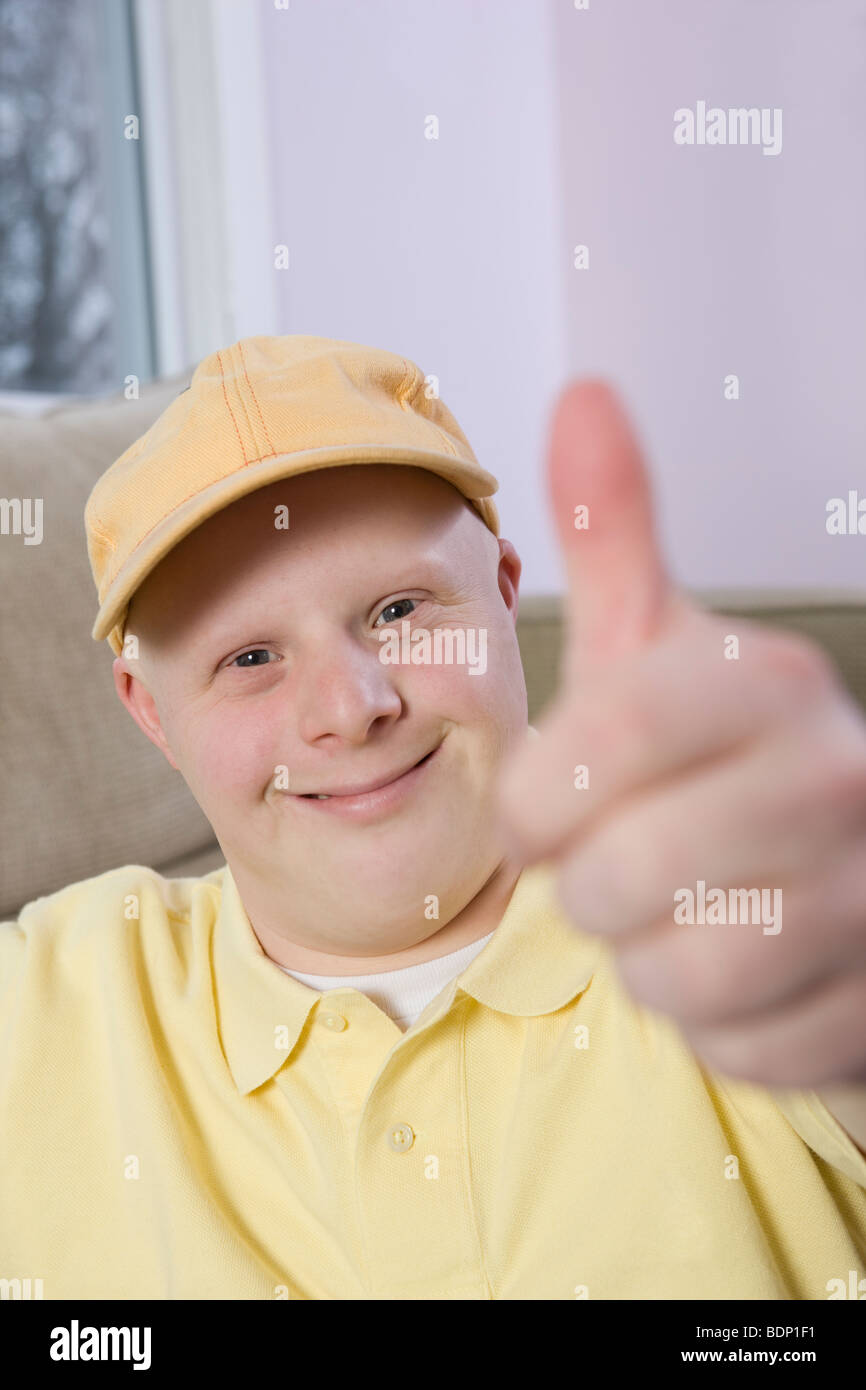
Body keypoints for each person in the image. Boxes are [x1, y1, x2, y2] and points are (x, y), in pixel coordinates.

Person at [1, 334, 864, 1301]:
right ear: (151, 712)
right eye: (249, 659)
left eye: (399, 608)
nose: (350, 706)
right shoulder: (51, 1004)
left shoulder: (728, 903)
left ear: (503, 593)